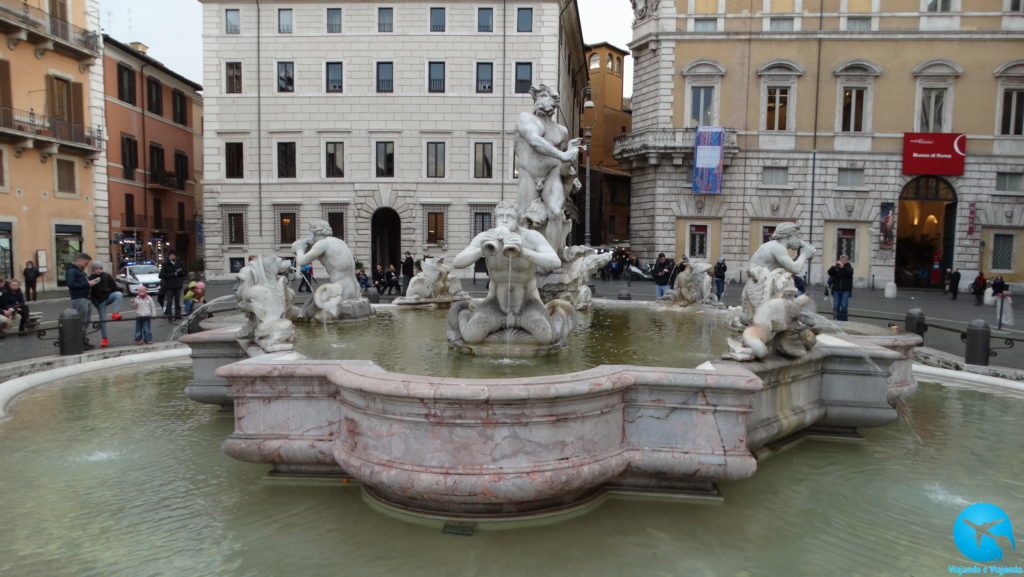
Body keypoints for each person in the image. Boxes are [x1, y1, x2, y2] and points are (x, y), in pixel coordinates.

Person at [450, 200, 564, 344]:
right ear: (495, 218)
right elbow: (458, 262)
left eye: (509, 217)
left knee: (546, 338)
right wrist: (481, 250)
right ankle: (465, 314)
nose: (504, 220)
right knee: (471, 338)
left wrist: (524, 252)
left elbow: (555, 262)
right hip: (496, 303)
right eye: (500, 216)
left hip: (526, 303)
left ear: (518, 219)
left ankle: (556, 315)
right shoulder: (486, 237)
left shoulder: (530, 237)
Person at [514, 84, 582, 257]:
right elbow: (534, 141)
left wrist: (570, 168)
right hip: (529, 174)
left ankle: (550, 259)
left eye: (552, 98)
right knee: (525, 218)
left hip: (552, 174)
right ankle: (524, 262)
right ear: (535, 99)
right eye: (543, 96)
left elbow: (564, 161)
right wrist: (563, 154)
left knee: (556, 212)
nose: (547, 101)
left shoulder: (561, 131)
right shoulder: (525, 119)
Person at [89, 262, 123, 348]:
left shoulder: (107, 276)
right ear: (93, 270)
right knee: (103, 320)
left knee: (118, 294)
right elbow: (90, 294)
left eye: (100, 268)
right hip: (100, 302)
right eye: (96, 269)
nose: (98, 270)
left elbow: (113, 286)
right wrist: (95, 303)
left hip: (108, 297)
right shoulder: (90, 278)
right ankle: (104, 339)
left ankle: (115, 313)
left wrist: (121, 290)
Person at [66, 252, 99, 330]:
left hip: (86, 298)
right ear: (79, 260)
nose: (86, 265)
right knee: (81, 322)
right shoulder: (71, 270)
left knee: (86, 322)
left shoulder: (80, 271)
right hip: (79, 299)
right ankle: (79, 340)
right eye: (85, 263)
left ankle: (82, 339)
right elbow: (71, 285)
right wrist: (88, 284)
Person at [159, 251, 187, 319]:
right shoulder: (166, 264)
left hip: (178, 285)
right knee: (169, 301)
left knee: (177, 301)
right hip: (169, 286)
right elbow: (161, 275)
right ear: (169, 256)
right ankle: (169, 315)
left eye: (173, 255)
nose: (172, 257)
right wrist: (173, 274)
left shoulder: (180, 263)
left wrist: (180, 273)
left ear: (175, 256)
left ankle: (178, 315)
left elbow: (185, 272)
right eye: (171, 255)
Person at [827, 255, 854, 322]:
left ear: (847, 261)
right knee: (836, 306)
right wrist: (833, 266)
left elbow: (850, 273)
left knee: (844, 306)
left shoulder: (849, 267)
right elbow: (830, 273)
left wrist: (843, 267)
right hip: (836, 290)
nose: (843, 261)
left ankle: (844, 320)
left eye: (844, 260)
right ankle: (838, 320)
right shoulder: (837, 267)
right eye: (842, 260)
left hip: (845, 290)